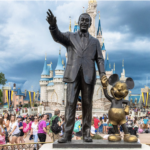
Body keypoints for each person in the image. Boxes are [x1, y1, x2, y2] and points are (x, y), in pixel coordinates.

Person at [46, 9, 107, 143]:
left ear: (91, 23)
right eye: (82, 20)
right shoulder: (70, 36)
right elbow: (57, 37)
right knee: (70, 104)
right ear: (78, 22)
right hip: (72, 76)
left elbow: (100, 59)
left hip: (88, 76)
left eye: (87, 20)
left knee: (87, 104)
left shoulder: (95, 42)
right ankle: (67, 134)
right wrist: (53, 26)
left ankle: (86, 133)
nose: (84, 22)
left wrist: (102, 73)